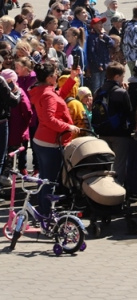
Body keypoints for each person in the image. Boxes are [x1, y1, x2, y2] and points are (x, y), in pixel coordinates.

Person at [30, 62, 79, 214]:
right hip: (50, 142)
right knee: (49, 181)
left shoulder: (43, 90)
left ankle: (43, 210)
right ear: (50, 78)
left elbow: (60, 96)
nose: (57, 75)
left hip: (43, 140)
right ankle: (46, 214)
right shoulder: (47, 94)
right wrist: (68, 127)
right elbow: (48, 119)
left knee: (45, 179)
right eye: (56, 73)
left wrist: (71, 78)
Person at [92, 62, 134, 186]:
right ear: (116, 77)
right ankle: (117, 189)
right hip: (120, 134)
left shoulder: (99, 91)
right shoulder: (121, 92)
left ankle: (104, 189)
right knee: (119, 165)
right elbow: (129, 113)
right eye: (122, 76)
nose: (123, 79)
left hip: (103, 131)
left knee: (106, 164)